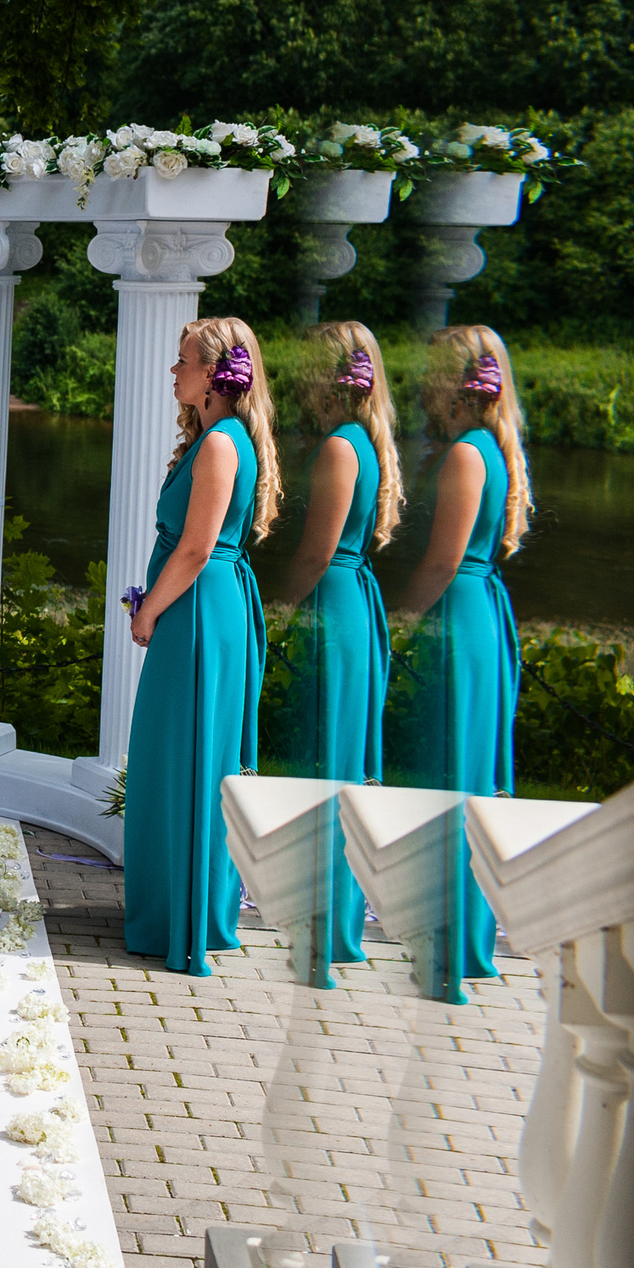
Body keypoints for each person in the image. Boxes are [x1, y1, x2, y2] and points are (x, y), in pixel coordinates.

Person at [121, 317, 278, 976]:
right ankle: (177, 906)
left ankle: (183, 917)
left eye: (182, 360)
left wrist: (148, 609)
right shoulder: (216, 437)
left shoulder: (221, 445)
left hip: (198, 613)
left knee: (187, 759)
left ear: (216, 375)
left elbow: (196, 547)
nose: (173, 371)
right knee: (176, 757)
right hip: (202, 607)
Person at [266, 322, 400, 972]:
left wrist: (282, 605)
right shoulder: (364, 443)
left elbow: (318, 551)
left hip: (337, 606)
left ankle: (325, 916)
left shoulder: (341, 448)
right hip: (352, 599)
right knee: (336, 758)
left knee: (328, 759)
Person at [399, 323, 530, 983]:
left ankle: (448, 931)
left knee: (451, 771)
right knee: (464, 772)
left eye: (433, 368)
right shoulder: (489, 447)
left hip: (460, 617)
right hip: (481, 615)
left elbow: (443, 560)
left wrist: (401, 622)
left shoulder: (465, 454)